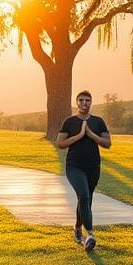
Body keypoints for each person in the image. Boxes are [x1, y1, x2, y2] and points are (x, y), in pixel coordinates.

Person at [56, 90, 111, 251]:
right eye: (81, 100)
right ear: (77, 102)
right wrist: (80, 135)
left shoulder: (98, 121)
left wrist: (90, 134)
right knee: (84, 196)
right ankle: (91, 235)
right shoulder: (69, 122)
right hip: (74, 166)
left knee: (86, 199)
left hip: (93, 167)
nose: (84, 103)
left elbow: (107, 143)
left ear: (91, 102)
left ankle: (78, 228)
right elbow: (60, 143)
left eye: (87, 100)